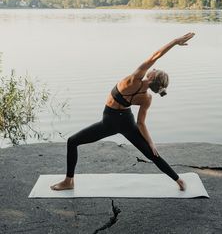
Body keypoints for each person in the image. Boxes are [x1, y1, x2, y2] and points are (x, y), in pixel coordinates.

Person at [50, 32, 195, 191]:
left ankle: (68, 181)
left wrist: (174, 41)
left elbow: (155, 56)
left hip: (109, 122)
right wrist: (151, 143)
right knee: (151, 153)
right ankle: (178, 180)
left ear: (152, 77)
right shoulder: (147, 98)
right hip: (127, 122)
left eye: (155, 69)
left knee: (72, 141)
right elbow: (140, 123)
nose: (153, 67)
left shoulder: (133, 80)